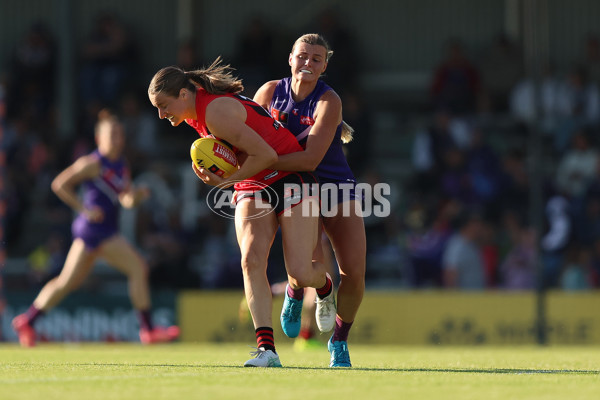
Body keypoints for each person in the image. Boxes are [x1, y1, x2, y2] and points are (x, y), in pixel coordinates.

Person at [147, 58, 335, 368]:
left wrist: (225, 181)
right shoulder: (196, 116)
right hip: (253, 181)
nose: (160, 114)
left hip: (288, 175)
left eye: (163, 105)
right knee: (250, 260)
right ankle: (267, 351)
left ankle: (324, 287)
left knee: (301, 273)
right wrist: (229, 179)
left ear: (183, 95)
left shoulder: (215, 112)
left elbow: (268, 154)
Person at [11, 110, 180, 347]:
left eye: (119, 134)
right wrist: (83, 209)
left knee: (66, 283)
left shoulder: (122, 164)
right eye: (111, 134)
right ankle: (148, 330)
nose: (116, 139)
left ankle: (28, 321)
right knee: (138, 268)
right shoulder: (92, 163)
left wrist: (137, 196)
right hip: (95, 229)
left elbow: (125, 200)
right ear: (99, 138)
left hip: (105, 231)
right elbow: (59, 184)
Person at [253, 33, 367, 367]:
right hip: (295, 187)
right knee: (303, 269)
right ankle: (294, 290)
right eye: (302, 56)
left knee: (355, 272)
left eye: (316, 59)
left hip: (333, 184)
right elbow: (245, 136)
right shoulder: (270, 92)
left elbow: (310, 160)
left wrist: (260, 160)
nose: (307, 63)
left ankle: (339, 342)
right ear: (290, 58)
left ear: (325, 66)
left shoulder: (329, 101)